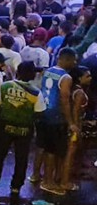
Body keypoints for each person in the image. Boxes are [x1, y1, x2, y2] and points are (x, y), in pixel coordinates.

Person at [0, 62, 46, 196]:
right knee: (21, 158)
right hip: (24, 129)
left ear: (18, 72)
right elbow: (40, 112)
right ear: (32, 75)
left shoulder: (5, 86)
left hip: (4, 126)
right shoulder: (35, 92)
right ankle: (16, 187)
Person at [37, 48, 77, 195]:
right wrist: (71, 122)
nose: (75, 63)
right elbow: (64, 100)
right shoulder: (66, 77)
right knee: (53, 151)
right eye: (73, 60)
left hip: (43, 113)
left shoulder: (48, 71)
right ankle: (48, 182)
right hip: (56, 118)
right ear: (67, 59)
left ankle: (41, 177)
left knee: (45, 148)